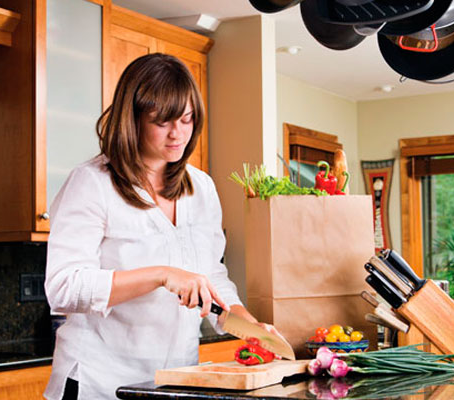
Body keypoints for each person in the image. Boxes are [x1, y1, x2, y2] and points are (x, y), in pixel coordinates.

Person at [44, 53, 281, 400]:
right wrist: (161, 275)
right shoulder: (92, 183)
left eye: (187, 120)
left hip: (174, 381)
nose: (177, 134)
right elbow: (64, 287)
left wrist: (248, 325)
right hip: (98, 383)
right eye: (163, 121)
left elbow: (210, 275)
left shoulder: (201, 187)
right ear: (133, 118)